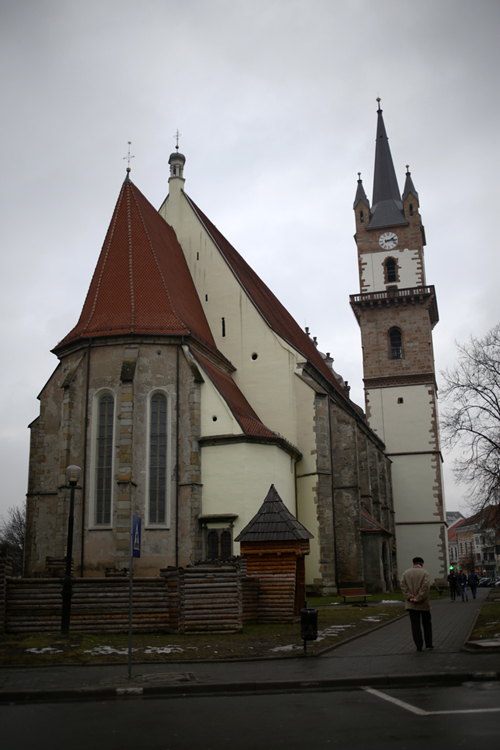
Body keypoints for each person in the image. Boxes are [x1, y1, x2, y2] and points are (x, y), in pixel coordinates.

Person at [400, 556, 433, 652]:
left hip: (411, 605)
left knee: (415, 626)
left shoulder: (406, 573)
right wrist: (418, 598)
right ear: (421, 564)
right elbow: (426, 586)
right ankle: (429, 644)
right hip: (424, 604)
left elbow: (403, 586)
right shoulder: (425, 573)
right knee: (427, 624)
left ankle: (419, 645)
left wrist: (410, 597)